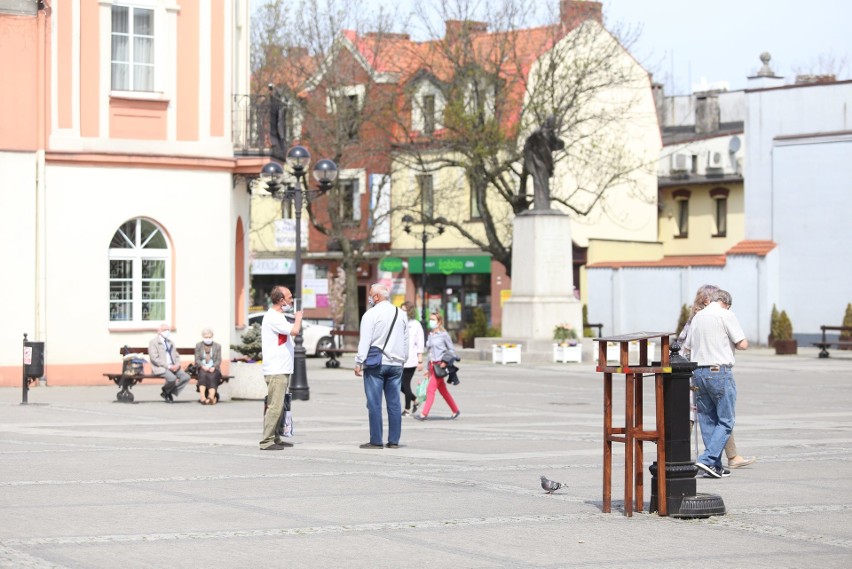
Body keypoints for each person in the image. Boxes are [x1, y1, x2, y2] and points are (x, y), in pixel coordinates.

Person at [679, 284, 756, 470]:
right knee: (726, 419)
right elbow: (742, 344)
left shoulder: (697, 317)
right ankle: (707, 459)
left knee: (707, 418)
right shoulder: (726, 315)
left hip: (698, 373)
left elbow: (687, 346)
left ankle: (714, 466)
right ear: (726, 304)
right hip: (718, 372)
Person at [354, 283, 408, 449]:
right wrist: (403, 359)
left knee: (374, 403)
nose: (369, 297)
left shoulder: (371, 314)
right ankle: (394, 441)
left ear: (376, 297)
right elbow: (405, 340)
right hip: (396, 364)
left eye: (371, 294)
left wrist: (359, 361)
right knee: (394, 403)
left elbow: (365, 340)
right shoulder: (401, 314)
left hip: (376, 364)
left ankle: (376, 440)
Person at [259, 286, 302, 451]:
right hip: (276, 369)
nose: (291, 300)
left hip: (282, 368)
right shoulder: (273, 317)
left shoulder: (279, 316)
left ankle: (276, 437)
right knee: (275, 406)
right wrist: (298, 318)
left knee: (280, 405)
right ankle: (266, 440)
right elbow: (294, 331)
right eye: (289, 297)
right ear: (281, 300)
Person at [416, 312, 461, 421]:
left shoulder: (444, 335)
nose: (431, 321)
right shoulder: (430, 335)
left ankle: (424, 413)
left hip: (440, 366)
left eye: (433, 319)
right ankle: (455, 410)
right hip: (432, 366)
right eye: (430, 319)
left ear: (439, 322)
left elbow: (451, 350)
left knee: (430, 389)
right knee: (443, 390)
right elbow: (430, 352)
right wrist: (427, 369)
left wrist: (445, 361)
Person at [149, 323, 191, 403]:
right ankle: (167, 392)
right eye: (165, 330)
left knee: (186, 377)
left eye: (168, 330)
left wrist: (177, 364)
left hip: (173, 366)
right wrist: (168, 366)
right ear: (159, 331)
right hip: (161, 367)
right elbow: (154, 358)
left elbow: (177, 355)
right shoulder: (154, 342)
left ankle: (167, 391)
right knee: (172, 378)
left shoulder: (170, 342)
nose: (167, 332)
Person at [399, 301, 424, 416]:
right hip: (399, 359)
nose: (402, 312)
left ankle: (407, 409)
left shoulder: (416, 325)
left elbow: (420, 344)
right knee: (398, 385)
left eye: (404, 310)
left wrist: (420, 360)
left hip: (411, 360)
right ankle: (416, 400)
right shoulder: (398, 323)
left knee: (405, 383)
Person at [194, 328, 222, 405]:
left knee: (213, 376)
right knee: (203, 375)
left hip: (214, 367)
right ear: (203, 337)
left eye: (209, 337)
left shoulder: (217, 346)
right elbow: (197, 359)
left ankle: (211, 397)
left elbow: (219, 359)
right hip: (202, 367)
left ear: (212, 336)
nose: (208, 339)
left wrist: (213, 367)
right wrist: (203, 366)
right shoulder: (199, 345)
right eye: (206, 337)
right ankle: (202, 397)